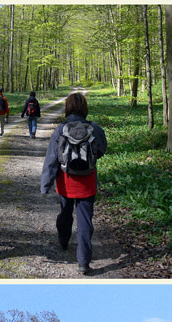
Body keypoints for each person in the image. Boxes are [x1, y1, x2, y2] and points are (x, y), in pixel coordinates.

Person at [40, 91, 108, 275]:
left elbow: (52, 159)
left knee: (65, 212)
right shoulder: (95, 129)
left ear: (67, 108)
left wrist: (45, 184)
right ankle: (84, 262)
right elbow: (102, 150)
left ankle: (63, 239)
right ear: (85, 109)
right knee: (85, 221)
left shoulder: (60, 130)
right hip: (87, 183)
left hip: (65, 182)